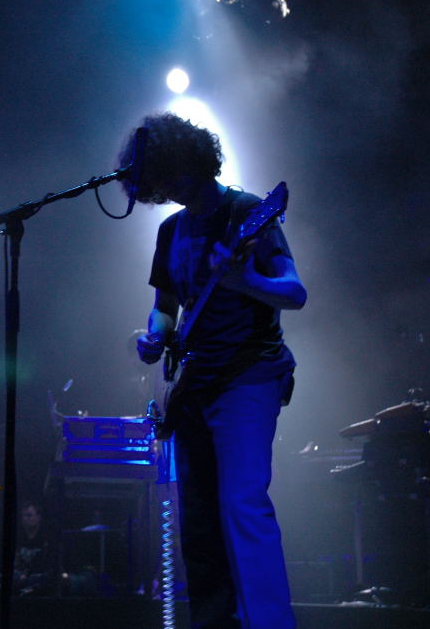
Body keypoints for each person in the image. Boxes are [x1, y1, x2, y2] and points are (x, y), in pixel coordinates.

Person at [122, 113, 306, 629]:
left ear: (193, 160)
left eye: (172, 174)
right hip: (193, 384)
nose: (168, 188)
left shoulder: (246, 213)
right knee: (199, 520)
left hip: (249, 373)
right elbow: (165, 306)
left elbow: (295, 292)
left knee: (242, 503)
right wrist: (155, 336)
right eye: (159, 180)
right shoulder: (170, 230)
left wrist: (245, 281)